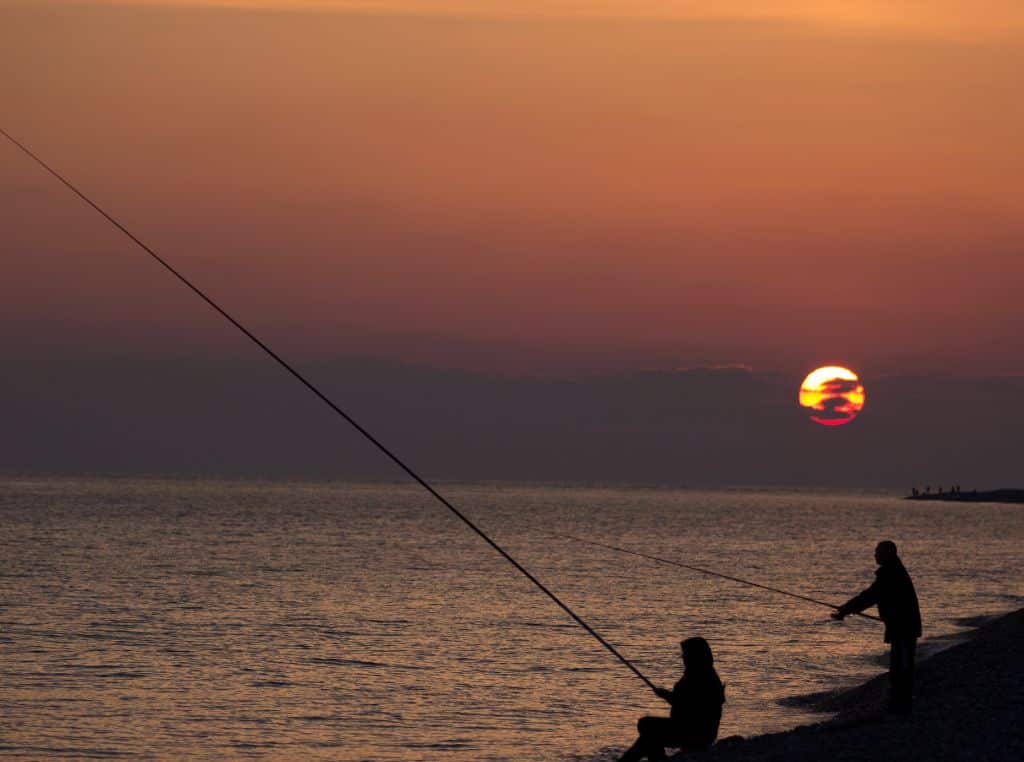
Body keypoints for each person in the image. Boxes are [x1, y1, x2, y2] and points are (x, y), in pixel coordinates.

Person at [832, 540, 922, 714]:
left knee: (901, 666)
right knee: (900, 664)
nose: (875, 555)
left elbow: (870, 596)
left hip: (903, 626)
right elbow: (874, 596)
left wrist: (846, 609)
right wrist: (847, 609)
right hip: (902, 625)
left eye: (878, 552)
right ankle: (900, 702)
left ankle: (901, 704)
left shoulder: (890, 573)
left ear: (888, 553)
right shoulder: (893, 570)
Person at [618, 637, 725, 761]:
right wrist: (667, 695)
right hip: (691, 728)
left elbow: (689, 705)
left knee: (648, 729)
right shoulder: (701, 673)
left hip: (695, 732)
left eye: (685, 654)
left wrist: (667, 696)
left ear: (695, 655)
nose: (683, 657)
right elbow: (685, 702)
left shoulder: (701, 677)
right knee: (647, 733)